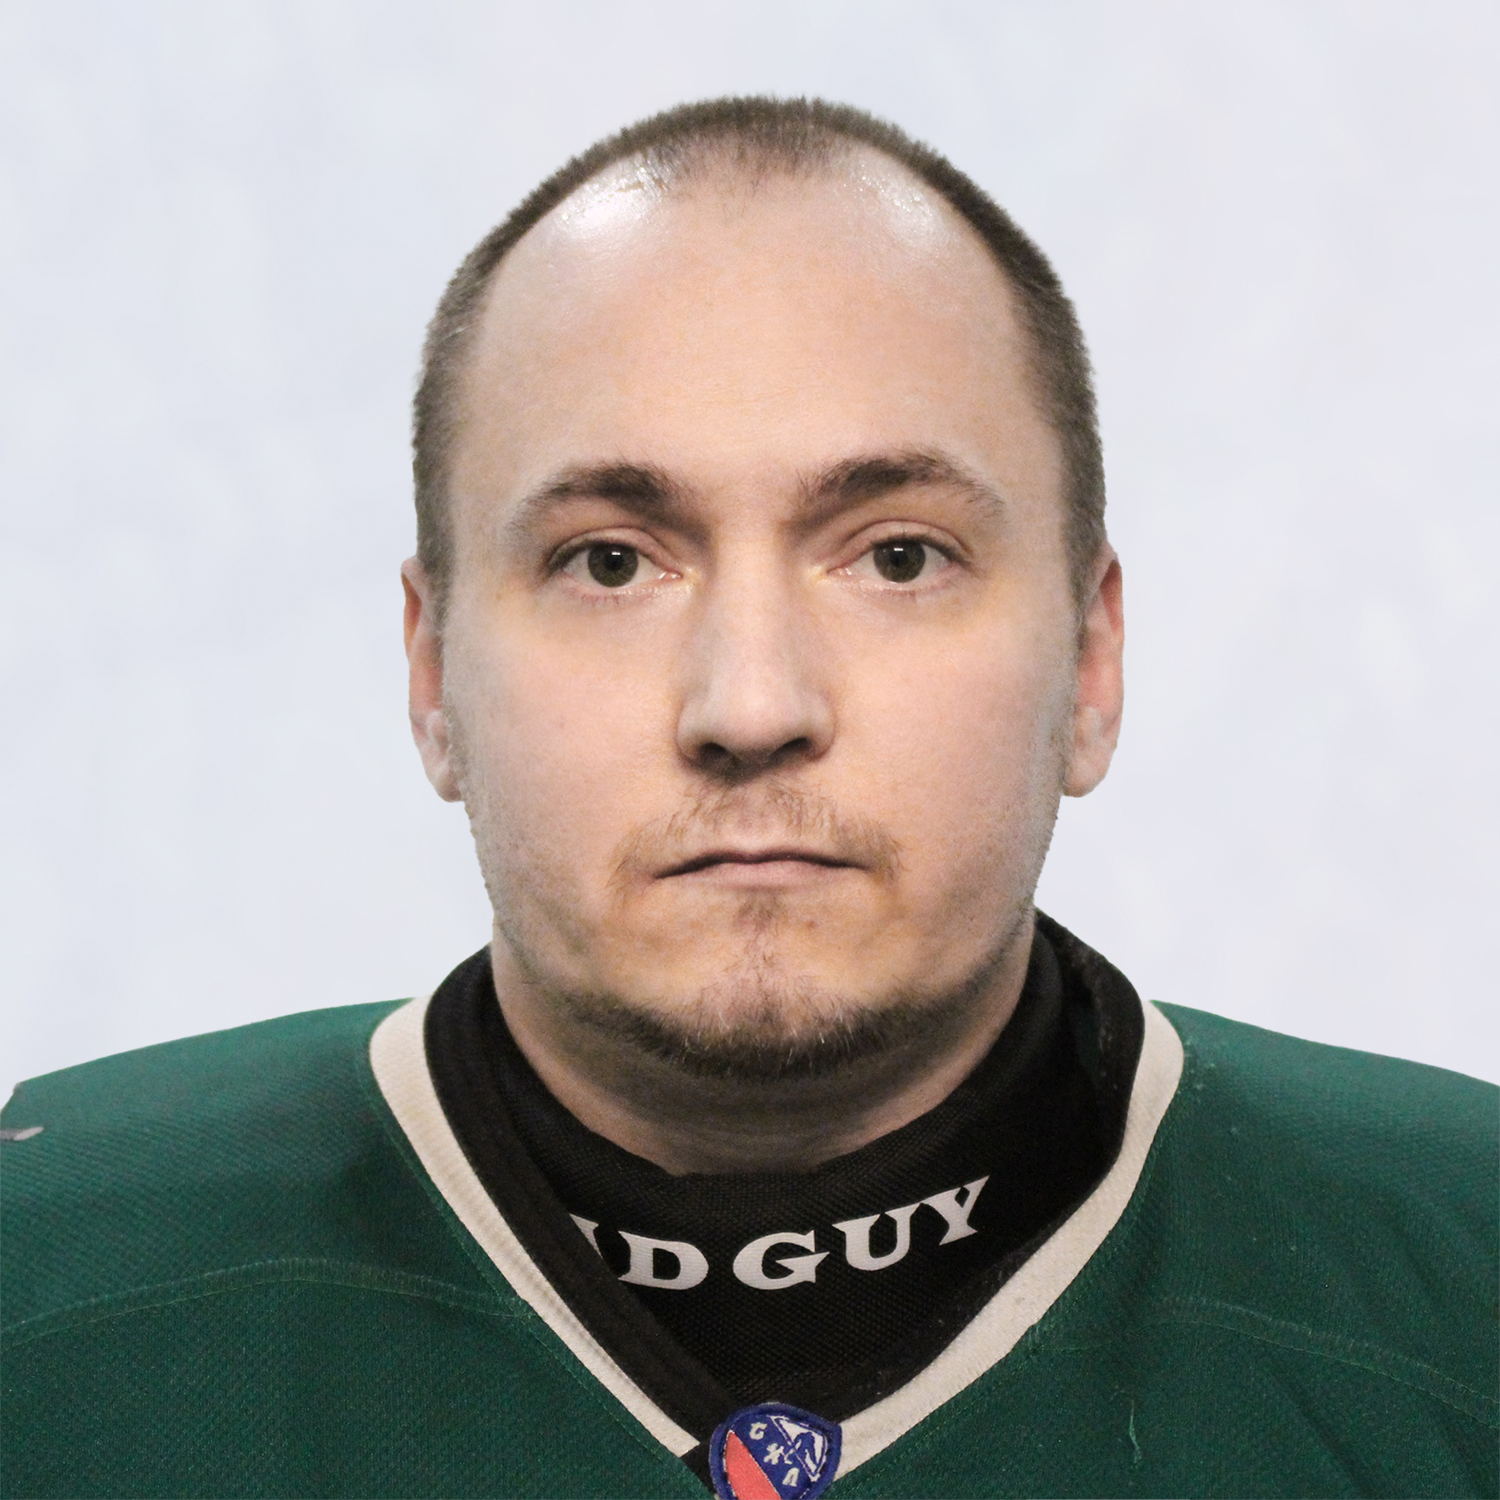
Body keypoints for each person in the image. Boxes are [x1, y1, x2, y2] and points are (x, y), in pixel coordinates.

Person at [2, 97, 1494, 1500]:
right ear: (432, 671)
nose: (751, 706)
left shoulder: (1465, 1281)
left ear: (1091, 660)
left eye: (898, 556)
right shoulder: (43, 1290)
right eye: (609, 563)